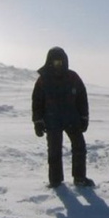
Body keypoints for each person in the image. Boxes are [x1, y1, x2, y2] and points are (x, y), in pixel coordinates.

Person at [32, 47, 94, 188]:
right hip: (52, 120)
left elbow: (82, 99)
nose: (58, 65)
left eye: (61, 62)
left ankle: (79, 178)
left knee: (80, 148)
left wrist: (84, 118)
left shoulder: (73, 77)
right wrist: (38, 122)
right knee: (54, 151)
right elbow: (37, 102)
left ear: (65, 61)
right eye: (55, 62)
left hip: (72, 119)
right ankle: (55, 181)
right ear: (49, 62)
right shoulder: (43, 80)